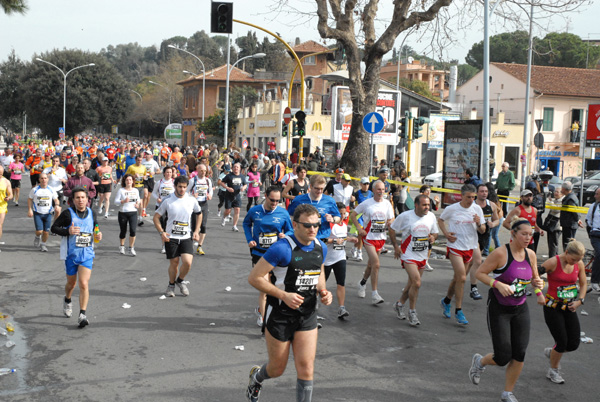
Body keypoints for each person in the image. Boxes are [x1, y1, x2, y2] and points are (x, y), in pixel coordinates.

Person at [246, 204, 333, 402]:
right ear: (294, 225)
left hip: (307, 315)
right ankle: (257, 377)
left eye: (316, 225)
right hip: (280, 315)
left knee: (306, 367)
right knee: (277, 369)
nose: (313, 230)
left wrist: (323, 291)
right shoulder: (281, 248)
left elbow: (318, 272)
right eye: (307, 225)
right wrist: (283, 295)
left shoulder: (321, 247)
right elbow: (255, 278)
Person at [469, 217, 545, 402]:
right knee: (503, 356)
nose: (528, 238)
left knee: (519, 353)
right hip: (499, 308)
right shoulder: (501, 254)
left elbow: (534, 278)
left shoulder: (531, 254)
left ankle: (507, 393)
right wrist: (497, 284)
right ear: (513, 233)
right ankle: (480, 362)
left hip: (520, 309)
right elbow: (479, 273)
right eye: (524, 234)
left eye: (531, 235)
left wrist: (539, 289)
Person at [51, 187, 102, 328]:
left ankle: (82, 314)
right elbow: (53, 228)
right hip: (71, 255)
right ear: (73, 200)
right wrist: (68, 231)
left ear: (87, 199)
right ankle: (67, 299)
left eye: (83, 197)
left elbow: (96, 229)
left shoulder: (92, 213)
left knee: (84, 283)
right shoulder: (68, 214)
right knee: (71, 284)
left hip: (87, 254)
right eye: (77, 198)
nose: (81, 200)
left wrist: (98, 235)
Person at [243, 186, 293, 327]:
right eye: (272, 200)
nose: (274, 203)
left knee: (276, 286)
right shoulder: (255, 211)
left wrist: (286, 235)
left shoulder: (283, 213)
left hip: (277, 254)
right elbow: (246, 224)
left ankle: (264, 309)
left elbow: (290, 230)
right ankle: (265, 320)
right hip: (259, 253)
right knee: (265, 287)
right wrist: (249, 239)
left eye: (278, 201)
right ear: (265, 196)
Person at [438, 184, 486, 324]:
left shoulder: (477, 209)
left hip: (469, 247)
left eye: (473, 197)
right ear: (461, 195)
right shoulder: (452, 209)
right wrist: (446, 234)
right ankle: (458, 310)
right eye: (468, 197)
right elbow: (440, 220)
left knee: (458, 278)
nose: (471, 200)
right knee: (463, 277)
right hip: (455, 246)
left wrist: (478, 223)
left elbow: (482, 230)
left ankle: (446, 300)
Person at [540, 239, 587, 384]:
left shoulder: (578, 263)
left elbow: (583, 283)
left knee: (573, 343)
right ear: (566, 252)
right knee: (561, 341)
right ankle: (553, 371)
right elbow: (533, 275)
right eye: (573, 259)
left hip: (569, 306)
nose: (575, 263)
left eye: (578, 260)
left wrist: (580, 301)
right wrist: (538, 291)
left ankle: (553, 352)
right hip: (552, 307)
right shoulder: (553, 262)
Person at [389, 194, 439, 326]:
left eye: (428, 205)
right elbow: (392, 228)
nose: (427, 207)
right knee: (417, 283)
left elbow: (435, 233)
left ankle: (399, 304)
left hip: (422, 256)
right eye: (424, 205)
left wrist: (433, 238)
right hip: (408, 254)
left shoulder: (431, 216)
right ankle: (412, 312)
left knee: (411, 284)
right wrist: (396, 246)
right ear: (416, 205)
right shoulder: (406, 216)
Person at [153, 175, 201, 297]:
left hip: (186, 237)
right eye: (180, 187)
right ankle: (171, 285)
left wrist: (196, 231)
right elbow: (156, 217)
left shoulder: (191, 200)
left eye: (184, 187)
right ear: (175, 186)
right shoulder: (168, 200)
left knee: (188, 262)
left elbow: (199, 214)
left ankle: (180, 280)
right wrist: (162, 232)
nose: (182, 189)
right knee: (174, 262)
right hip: (171, 236)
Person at [351, 181, 395, 304]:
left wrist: (390, 222)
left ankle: (362, 282)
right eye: (378, 189)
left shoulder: (387, 204)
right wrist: (359, 229)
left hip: (380, 238)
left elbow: (391, 218)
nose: (381, 192)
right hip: (368, 238)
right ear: (373, 190)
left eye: (383, 189)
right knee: (376, 264)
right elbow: (353, 215)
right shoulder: (367, 203)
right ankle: (375, 294)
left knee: (371, 265)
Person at [324, 202, 358, 319]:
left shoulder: (343, 224)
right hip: (327, 259)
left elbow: (342, 238)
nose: (343, 216)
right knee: (321, 286)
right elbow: (322, 240)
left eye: (345, 214)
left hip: (340, 257)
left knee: (341, 283)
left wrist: (349, 239)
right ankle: (313, 309)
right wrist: (333, 241)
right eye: (341, 214)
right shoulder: (329, 225)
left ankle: (341, 308)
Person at [288, 174, 342, 245]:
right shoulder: (298, 200)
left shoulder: (330, 201)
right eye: (317, 188)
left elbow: (338, 217)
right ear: (310, 186)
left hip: (322, 237)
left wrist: (333, 220)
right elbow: (290, 217)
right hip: (303, 237)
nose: (319, 191)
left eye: (322, 189)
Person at [470, 184, 500, 300]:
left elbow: (497, 219)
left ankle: (460, 280)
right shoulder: (472, 205)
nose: (484, 193)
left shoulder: (491, 205)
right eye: (481, 191)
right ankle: (474, 288)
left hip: (485, 236)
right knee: (478, 261)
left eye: (486, 191)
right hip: (473, 236)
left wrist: (493, 224)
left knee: (470, 265)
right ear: (477, 193)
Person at [28, 173, 60, 252]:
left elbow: (56, 199)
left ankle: (43, 245)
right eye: (42, 178)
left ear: (48, 179)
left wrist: (56, 205)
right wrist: (30, 209)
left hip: (48, 213)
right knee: (39, 231)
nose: (44, 180)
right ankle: (37, 236)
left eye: (45, 178)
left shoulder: (51, 189)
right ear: (39, 180)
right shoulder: (35, 190)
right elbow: (30, 199)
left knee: (46, 231)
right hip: (38, 213)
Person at [187, 163, 213, 255]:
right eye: (201, 170)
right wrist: (192, 196)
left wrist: (210, 195)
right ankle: (189, 245)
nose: (203, 172)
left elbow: (211, 191)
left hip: (204, 204)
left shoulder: (208, 181)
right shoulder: (192, 180)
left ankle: (199, 246)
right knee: (194, 227)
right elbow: (186, 193)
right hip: (194, 205)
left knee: (203, 226)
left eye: (205, 171)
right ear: (197, 170)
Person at [114, 174, 141, 256]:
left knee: (133, 230)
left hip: (133, 212)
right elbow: (116, 202)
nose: (128, 181)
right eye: (127, 180)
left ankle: (131, 248)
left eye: (130, 180)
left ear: (133, 181)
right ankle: (122, 246)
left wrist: (137, 204)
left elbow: (138, 200)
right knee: (123, 231)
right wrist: (123, 201)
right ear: (124, 182)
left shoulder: (136, 190)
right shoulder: (121, 190)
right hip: (123, 212)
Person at [152, 166, 175, 254]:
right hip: (160, 206)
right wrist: (157, 198)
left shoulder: (174, 182)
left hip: (171, 207)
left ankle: (170, 244)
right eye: (167, 172)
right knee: (163, 227)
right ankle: (163, 245)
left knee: (170, 226)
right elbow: (154, 193)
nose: (169, 174)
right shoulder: (159, 182)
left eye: (170, 172)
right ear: (164, 173)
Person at [349, 177, 373, 261]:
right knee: (361, 234)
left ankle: (354, 248)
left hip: (367, 217)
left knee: (362, 236)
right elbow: (352, 202)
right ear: (361, 184)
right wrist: (353, 204)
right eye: (364, 184)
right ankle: (359, 253)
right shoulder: (357, 193)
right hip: (359, 216)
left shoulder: (371, 193)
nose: (366, 186)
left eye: (367, 184)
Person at [221, 163, 247, 232]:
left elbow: (245, 184)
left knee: (237, 210)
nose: (236, 168)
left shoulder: (242, 176)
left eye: (237, 167)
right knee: (228, 210)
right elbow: (222, 182)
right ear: (232, 168)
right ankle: (224, 217)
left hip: (237, 195)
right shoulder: (229, 176)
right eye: (235, 167)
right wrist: (227, 187)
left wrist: (243, 188)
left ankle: (234, 226)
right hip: (229, 195)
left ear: (240, 168)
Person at [559, 182, 583, 252]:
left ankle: (569, 258)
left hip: (570, 225)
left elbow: (574, 212)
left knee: (569, 243)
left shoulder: (570, 198)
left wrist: (577, 220)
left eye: (561, 189)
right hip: (568, 224)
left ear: (563, 189)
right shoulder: (570, 197)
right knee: (568, 242)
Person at [585, 187, 600, 292]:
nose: (595, 196)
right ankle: (594, 281)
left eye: (597, 194)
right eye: (595, 194)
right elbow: (588, 221)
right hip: (596, 234)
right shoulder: (594, 206)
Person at [125, 155, 147, 225]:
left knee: (140, 202)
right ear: (135, 160)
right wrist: (134, 176)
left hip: (140, 186)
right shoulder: (131, 167)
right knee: (131, 202)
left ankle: (140, 217)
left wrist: (145, 177)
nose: (139, 162)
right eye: (138, 160)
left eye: (140, 160)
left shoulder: (143, 167)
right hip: (133, 187)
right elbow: (126, 176)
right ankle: (129, 217)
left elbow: (146, 175)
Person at [141, 151, 161, 218]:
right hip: (144, 179)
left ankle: (144, 209)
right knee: (145, 195)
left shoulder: (154, 162)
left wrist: (154, 172)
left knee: (148, 196)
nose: (146, 155)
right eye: (145, 154)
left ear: (151, 155)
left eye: (148, 154)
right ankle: (143, 210)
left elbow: (159, 171)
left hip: (151, 179)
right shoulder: (142, 161)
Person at [0, 166, 13, 252]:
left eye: (1, 173)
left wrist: (9, 198)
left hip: (2, 206)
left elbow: (11, 194)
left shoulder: (6, 181)